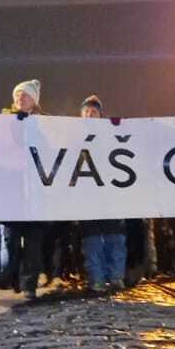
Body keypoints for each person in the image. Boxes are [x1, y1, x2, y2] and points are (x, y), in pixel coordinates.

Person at [76, 94, 127, 294]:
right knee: (92, 240)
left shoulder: (111, 134)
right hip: (86, 197)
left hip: (110, 196)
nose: (90, 115)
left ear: (100, 115)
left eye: (94, 112)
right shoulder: (71, 135)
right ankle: (96, 278)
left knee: (115, 238)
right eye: (86, 111)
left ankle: (116, 276)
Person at [1, 79, 46, 301]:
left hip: (35, 190)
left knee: (33, 241)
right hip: (12, 190)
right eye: (18, 95)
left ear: (34, 101)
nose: (20, 98)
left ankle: (29, 283)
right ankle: (13, 276)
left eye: (25, 95)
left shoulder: (44, 123)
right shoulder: (3, 122)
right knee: (11, 240)